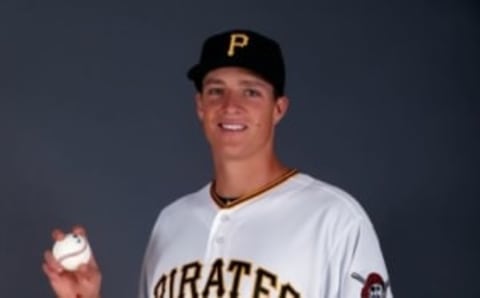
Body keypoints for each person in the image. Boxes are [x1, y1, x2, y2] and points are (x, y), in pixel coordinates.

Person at [43, 29, 393, 298]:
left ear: (279, 109)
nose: (230, 106)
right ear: (200, 106)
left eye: (251, 91)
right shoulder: (171, 222)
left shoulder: (334, 219)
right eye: (216, 90)